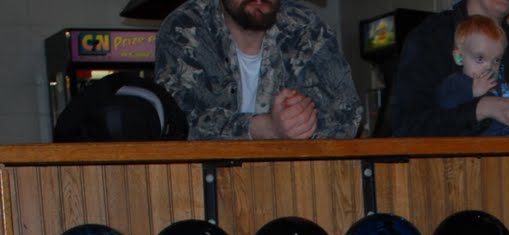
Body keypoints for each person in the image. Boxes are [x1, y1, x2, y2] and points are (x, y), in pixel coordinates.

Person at [155, 0, 363, 140]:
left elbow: (349, 114)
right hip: (204, 182)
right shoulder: (185, 28)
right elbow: (175, 123)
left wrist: (301, 121)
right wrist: (267, 127)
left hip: (293, 179)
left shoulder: (307, 28)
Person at [382, 0, 509, 137]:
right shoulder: (430, 37)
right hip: (448, 173)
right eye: (479, 58)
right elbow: (406, 127)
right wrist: (479, 109)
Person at [437, 15, 509, 135]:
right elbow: (446, 109)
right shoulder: (456, 83)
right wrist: (472, 92)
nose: (489, 67)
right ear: (459, 57)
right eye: (480, 58)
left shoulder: (505, 87)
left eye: (496, 60)